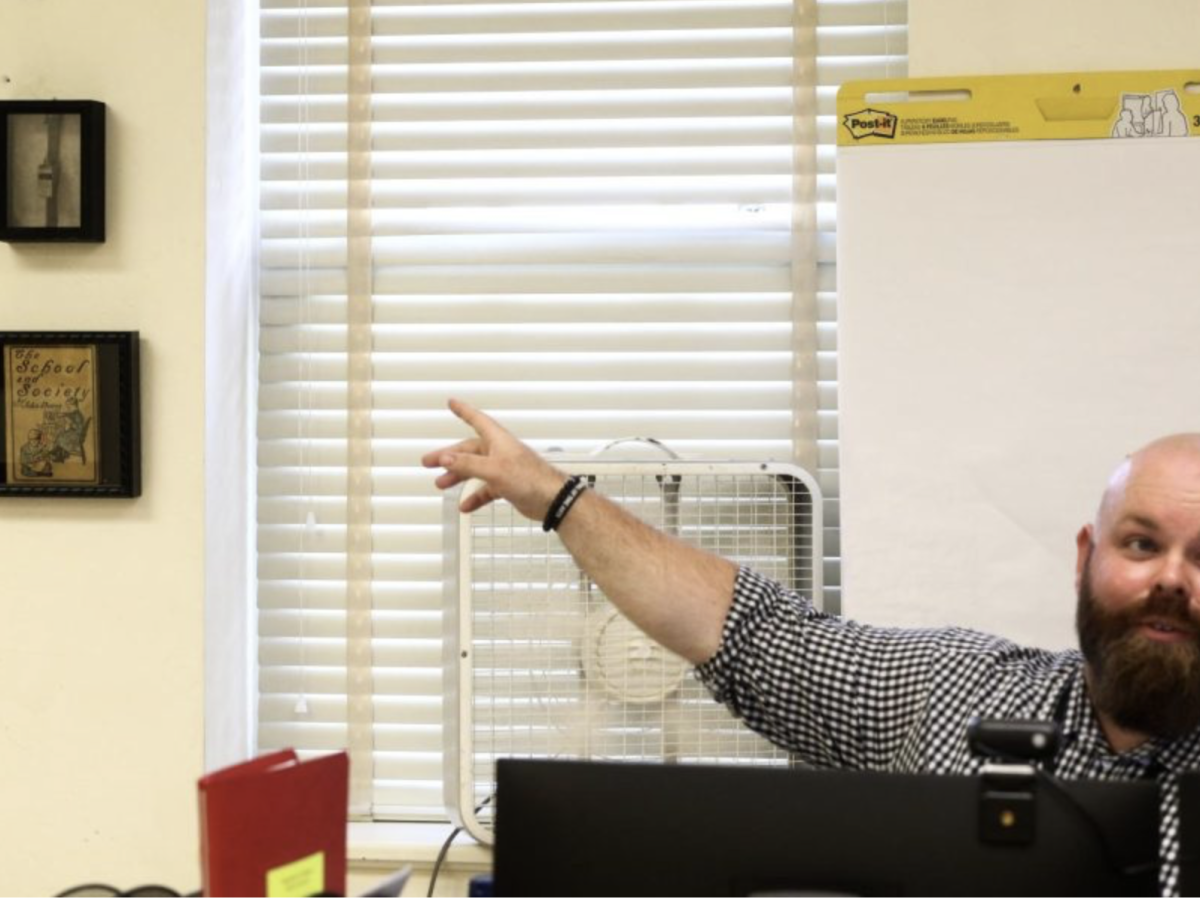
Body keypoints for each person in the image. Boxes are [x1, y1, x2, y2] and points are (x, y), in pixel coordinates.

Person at [425, 399, 1200, 895]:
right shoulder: (958, 694)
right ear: (1085, 557)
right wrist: (558, 498)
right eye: (1141, 544)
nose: (1171, 579)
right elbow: (752, 631)